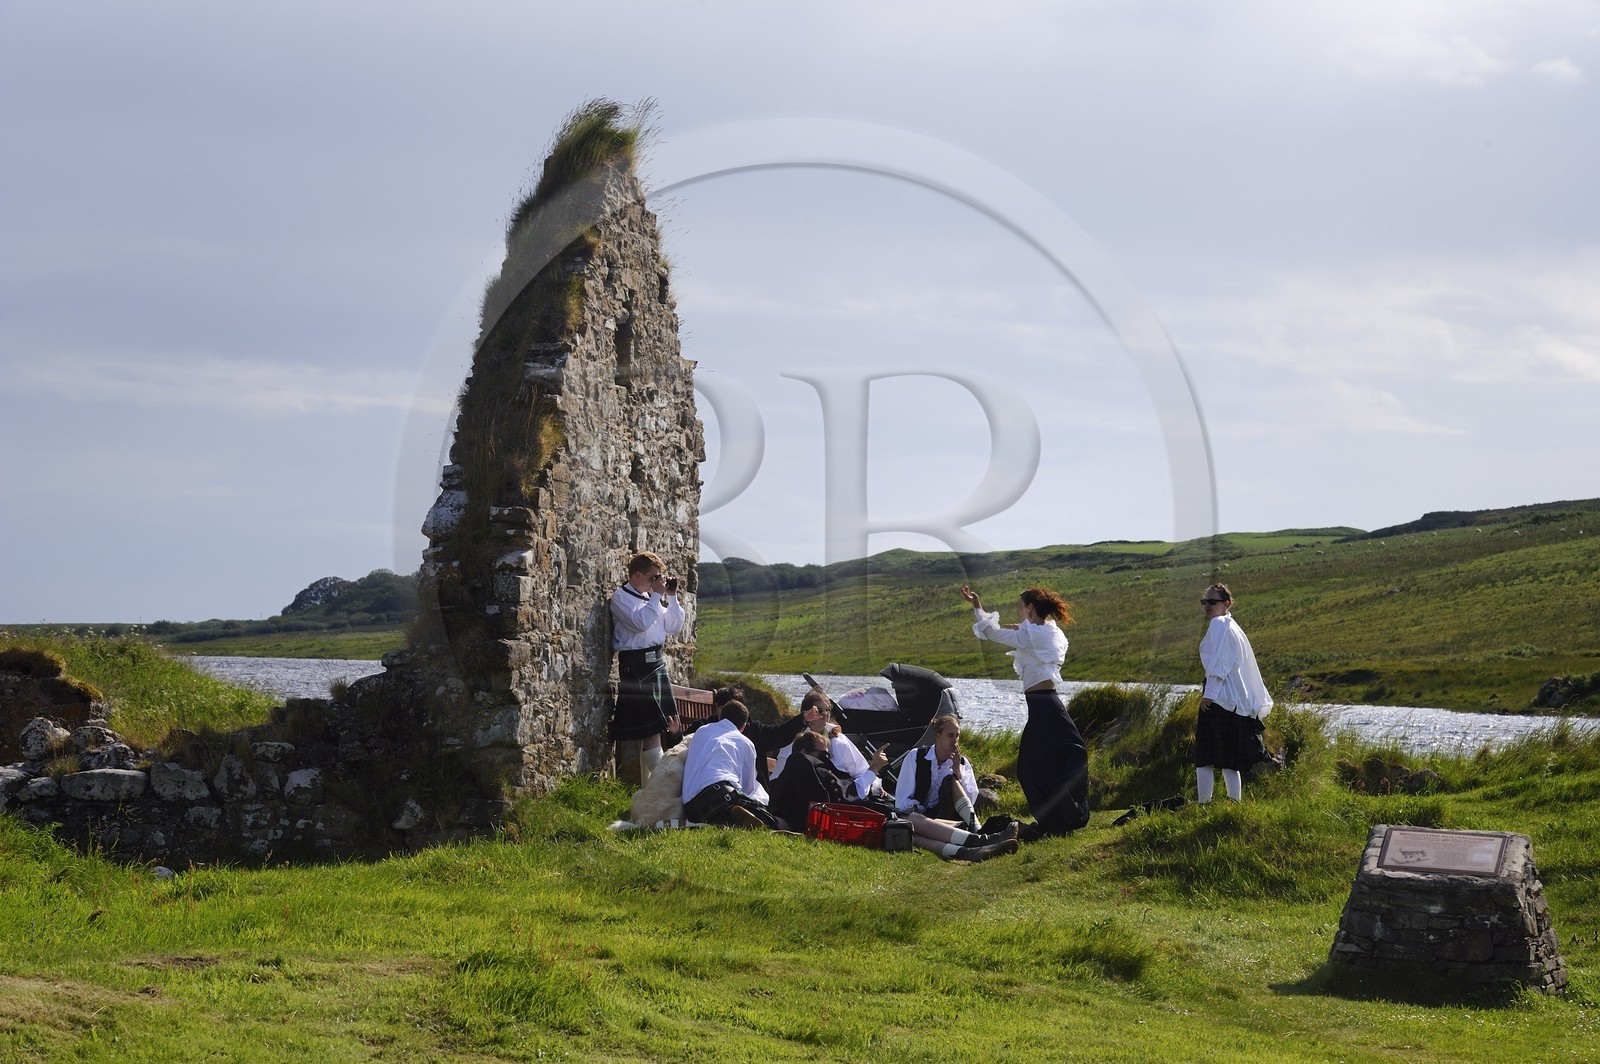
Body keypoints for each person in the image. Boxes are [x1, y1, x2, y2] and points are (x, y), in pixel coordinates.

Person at [960, 584, 1090, 838]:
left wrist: (977, 606)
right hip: (1044, 704)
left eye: (1020, 606)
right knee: (1038, 765)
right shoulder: (1046, 632)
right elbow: (1032, 635)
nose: (1017, 610)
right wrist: (1022, 631)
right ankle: (1059, 819)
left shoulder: (1030, 635)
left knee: (1035, 766)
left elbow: (991, 633)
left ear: (1030, 608)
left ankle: (1065, 818)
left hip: (1045, 705)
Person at [609, 551, 683, 785]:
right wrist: (656, 597)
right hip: (637, 666)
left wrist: (670, 597)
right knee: (651, 733)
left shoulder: (650, 599)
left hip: (655, 663)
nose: (657, 583)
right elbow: (640, 624)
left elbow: (673, 626)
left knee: (655, 731)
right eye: (654, 578)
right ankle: (667, 787)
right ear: (637, 575)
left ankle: (647, 791)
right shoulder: (621, 598)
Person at [1194, 583, 1273, 803]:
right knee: (1229, 758)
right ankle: (1234, 803)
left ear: (1226, 603)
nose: (1207, 606)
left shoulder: (1219, 624)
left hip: (1219, 698)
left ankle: (1204, 804)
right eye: (1205, 601)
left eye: (1212, 601)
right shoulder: (1232, 626)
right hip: (1236, 702)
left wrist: (1209, 693)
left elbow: (1221, 663)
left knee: (1204, 755)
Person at [772, 689, 890, 802]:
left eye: (827, 710)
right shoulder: (793, 741)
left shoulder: (840, 740)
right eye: (819, 710)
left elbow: (860, 770)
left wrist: (874, 786)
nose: (824, 714)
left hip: (846, 793)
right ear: (807, 713)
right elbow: (779, 779)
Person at [680, 701, 778, 828]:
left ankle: (726, 821)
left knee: (723, 811)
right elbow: (747, 786)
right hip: (721, 793)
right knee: (768, 820)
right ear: (743, 727)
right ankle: (738, 819)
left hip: (691, 807)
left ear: (721, 717)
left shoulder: (700, 731)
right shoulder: (745, 742)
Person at [711, 685, 806, 788]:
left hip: (753, 792)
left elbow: (779, 734)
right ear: (716, 708)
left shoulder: (753, 730)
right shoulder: (704, 728)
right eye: (724, 709)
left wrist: (802, 719)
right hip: (716, 788)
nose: (730, 714)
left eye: (735, 710)